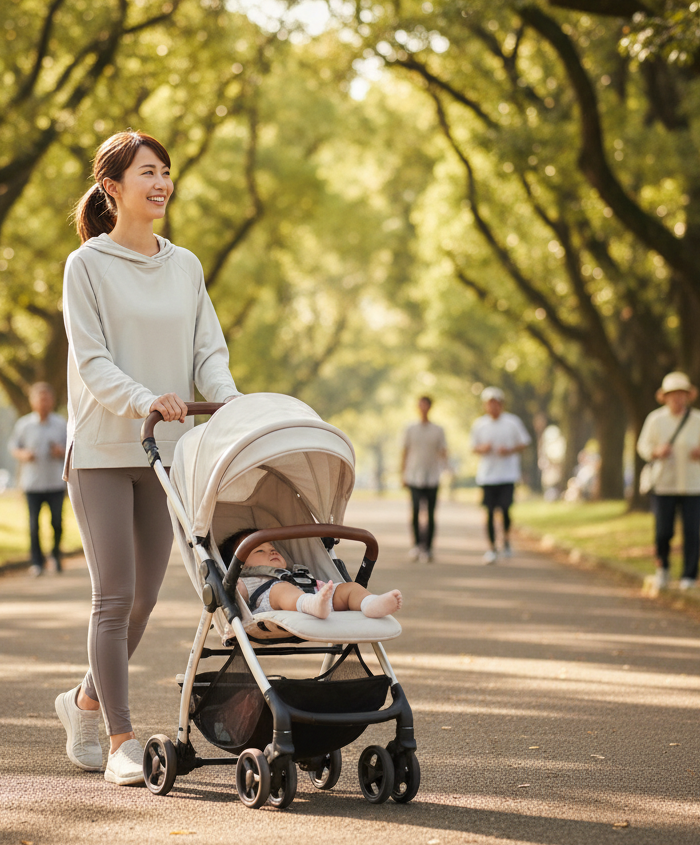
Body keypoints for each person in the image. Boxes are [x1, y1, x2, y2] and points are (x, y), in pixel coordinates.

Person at [53, 130, 241, 787]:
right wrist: (144, 400)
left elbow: (207, 352)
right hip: (104, 450)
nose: (161, 184)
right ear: (112, 187)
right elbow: (93, 362)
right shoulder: (87, 266)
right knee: (115, 597)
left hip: (166, 454)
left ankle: (82, 700)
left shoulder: (184, 264)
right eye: (147, 173)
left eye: (166, 172)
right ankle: (120, 740)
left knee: (145, 601)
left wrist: (231, 401)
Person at [636, 372, 700, 592]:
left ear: (687, 396)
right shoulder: (655, 420)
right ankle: (662, 567)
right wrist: (656, 451)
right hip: (665, 483)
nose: (677, 399)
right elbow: (642, 446)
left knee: (692, 532)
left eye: (681, 395)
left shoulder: (699, 419)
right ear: (666, 397)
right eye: (673, 395)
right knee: (663, 531)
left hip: (693, 484)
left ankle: (689, 576)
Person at [218, 533, 402, 619]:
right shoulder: (246, 580)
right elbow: (235, 592)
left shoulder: (294, 571)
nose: (271, 552)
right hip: (274, 605)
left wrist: (325, 593)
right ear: (239, 566)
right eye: (259, 550)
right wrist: (231, 586)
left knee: (349, 587)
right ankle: (311, 604)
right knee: (281, 589)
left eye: (273, 549)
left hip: (319, 596)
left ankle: (369, 604)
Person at [8, 382, 68, 577]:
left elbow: (72, 449)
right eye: (39, 398)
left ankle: (56, 556)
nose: (43, 402)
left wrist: (61, 452)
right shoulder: (24, 425)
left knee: (57, 522)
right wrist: (24, 454)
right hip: (32, 483)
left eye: (46, 398)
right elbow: (14, 447)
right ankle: (37, 562)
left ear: (52, 400)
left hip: (55, 482)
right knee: (34, 525)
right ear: (32, 401)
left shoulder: (61, 424)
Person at [471, 386, 531, 563]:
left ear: (501, 404)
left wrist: (510, 450)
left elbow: (524, 442)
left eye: (496, 403)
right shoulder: (479, 424)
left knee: (505, 509)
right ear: (485, 405)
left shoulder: (512, 422)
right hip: (487, 476)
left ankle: (505, 540)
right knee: (489, 511)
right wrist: (483, 448)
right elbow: (473, 447)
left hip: (507, 475)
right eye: (490, 403)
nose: (493, 407)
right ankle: (491, 548)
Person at [400, 395, 448, 563]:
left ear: (430, 407)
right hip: (414, 476)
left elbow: (443, 451)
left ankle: (428, 548)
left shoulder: (438, 430)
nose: (423, 408)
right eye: (421, 405)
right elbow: (404, 451)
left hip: (433, 476)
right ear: (418, 407)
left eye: (426, 405)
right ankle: (416, 545)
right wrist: (402, 473)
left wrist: (446, 468)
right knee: (414, 512)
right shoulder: (410, 429)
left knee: (431, 514)